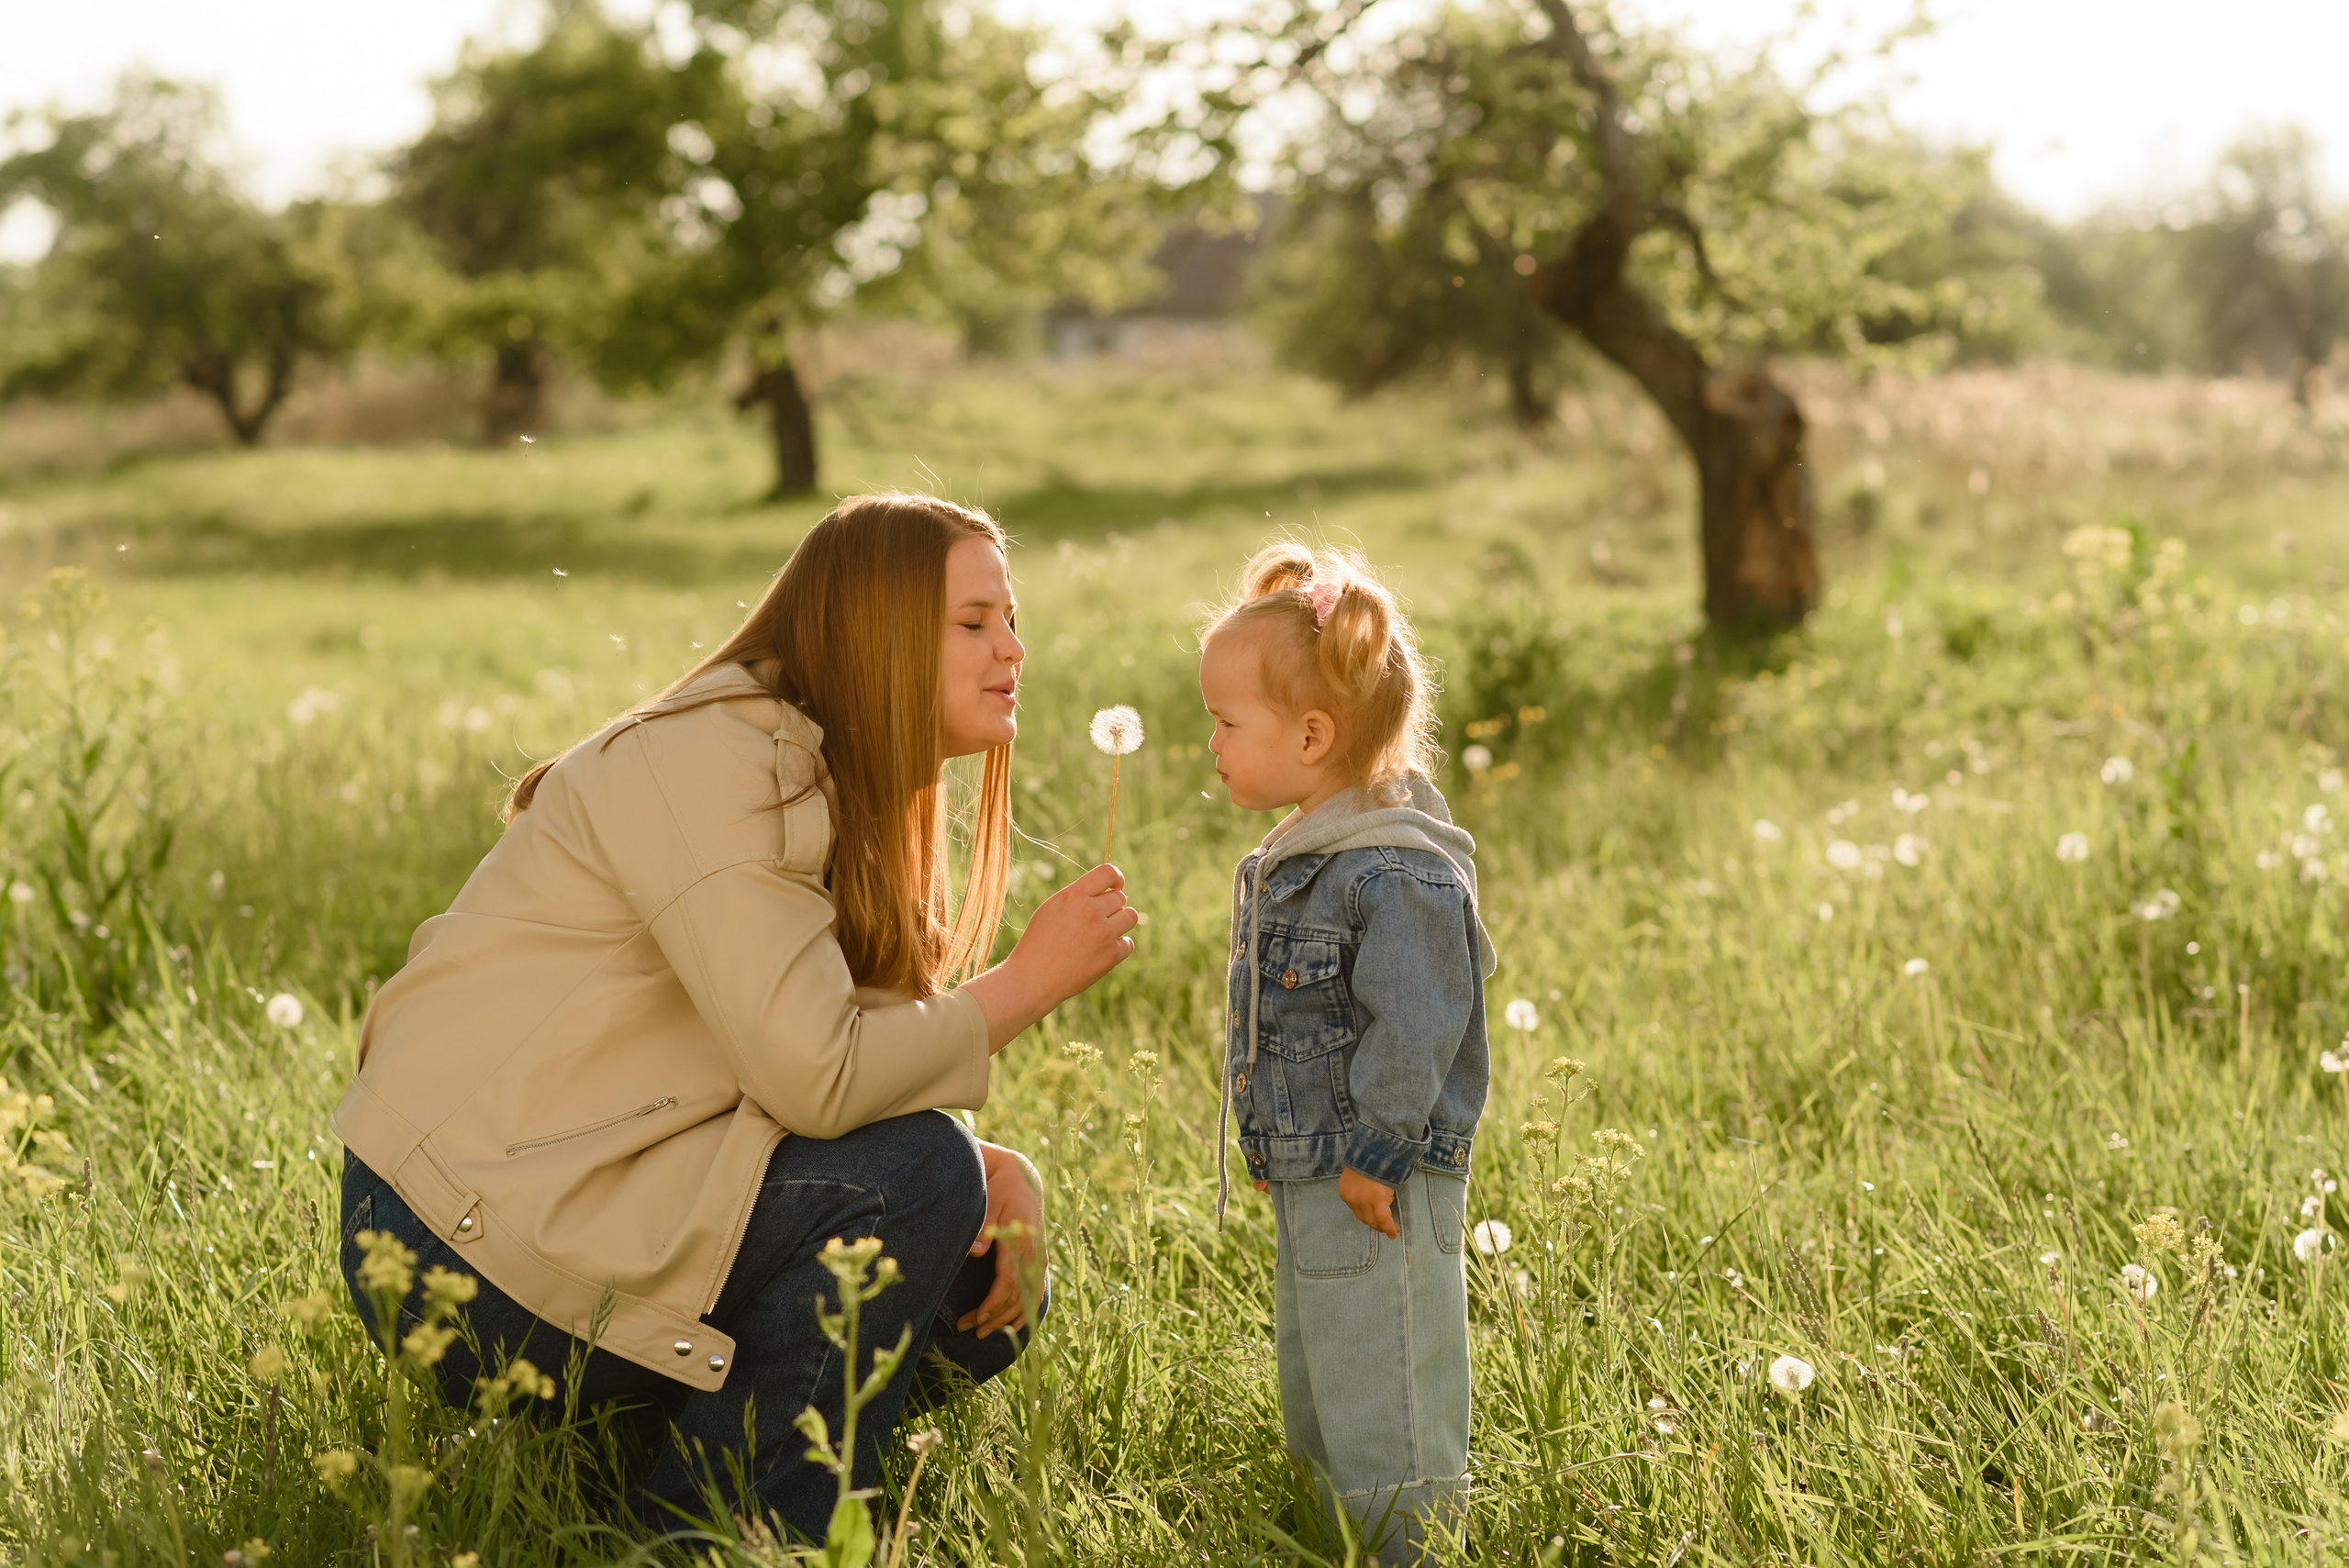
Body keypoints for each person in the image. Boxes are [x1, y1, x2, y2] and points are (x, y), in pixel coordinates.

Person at [331, 494, 1139, 1539]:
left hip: (589, 1190)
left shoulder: (838, 778)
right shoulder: (717, 761)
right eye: (975, 622)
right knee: (920, 1185)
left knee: (972, 1266)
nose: (1014, 649)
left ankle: (676, 1493)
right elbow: (819, 1077)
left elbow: (814, 1056)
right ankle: (720, 1544)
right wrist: (1023, 984)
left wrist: (991, 1159)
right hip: (455, 1234)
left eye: (1012, 619)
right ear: (878, 630)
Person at [1198, 541, 1496, 1558]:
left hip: (1377, 1171)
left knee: (1387, 1378)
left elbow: (1420, 1017)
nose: (1212, 743)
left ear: (1314, 733)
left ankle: (1408, 1544)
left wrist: (1379, 1144)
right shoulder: (1310, 856)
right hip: (1315, 1169)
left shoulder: (1385, 871)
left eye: (1227, 723)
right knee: (1324, 1370)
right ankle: (1333, 1531)